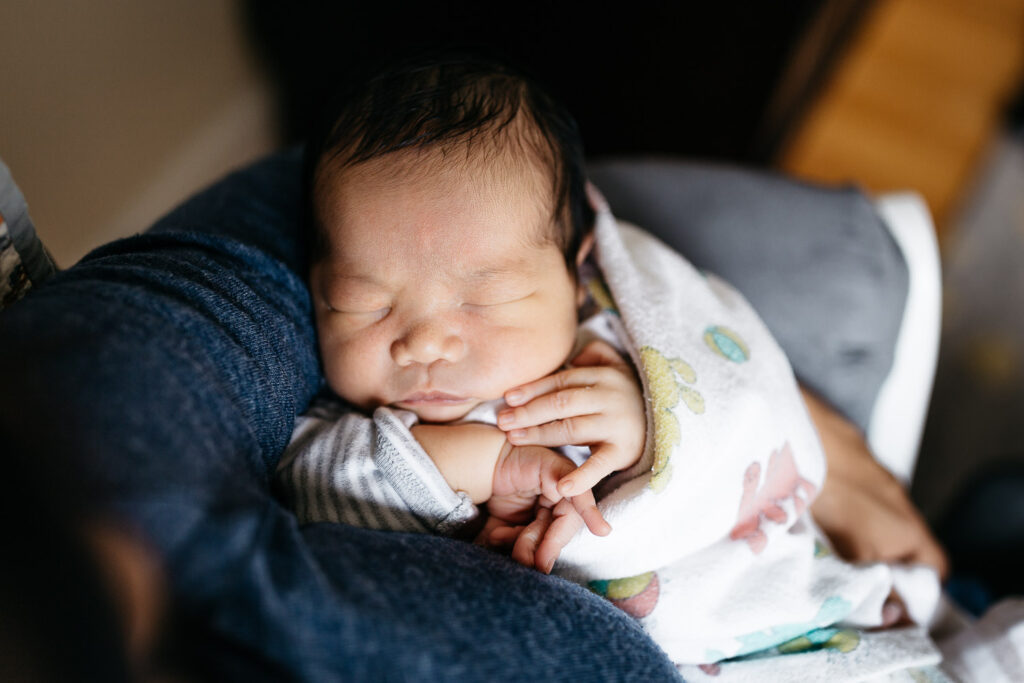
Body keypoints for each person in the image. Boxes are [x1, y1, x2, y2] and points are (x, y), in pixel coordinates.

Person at [275, 55, 948, 670]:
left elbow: (734, 391)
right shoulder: (351, 427)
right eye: (361, 305)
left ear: (576, 274)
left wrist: (657, 420)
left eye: (483, 296)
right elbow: (314, 481)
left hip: (793, 620)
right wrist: (489, 462)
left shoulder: (616, 333)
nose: (423, 343)